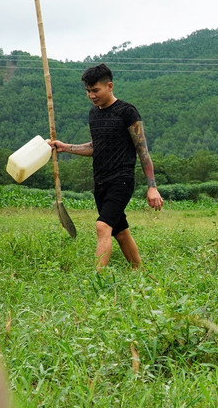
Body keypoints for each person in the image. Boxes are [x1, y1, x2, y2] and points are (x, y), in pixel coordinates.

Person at [49, 63, 164, 269]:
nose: (92, 96)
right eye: (88, 91)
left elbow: (143, 151)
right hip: (100, 181)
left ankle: (97, 278)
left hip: (121, 180)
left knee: (102, 226)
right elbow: (95, 147)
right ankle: (139, 271)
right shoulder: (94, 114)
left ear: (109, 86)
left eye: (96, 90)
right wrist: (65, 147)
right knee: (120, 231)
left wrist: (152, 186)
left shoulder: (127, 112)